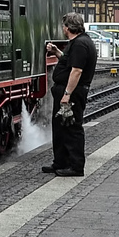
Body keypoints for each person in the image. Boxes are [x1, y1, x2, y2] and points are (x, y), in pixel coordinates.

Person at [43, 12, 97, 176]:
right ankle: (60, 162)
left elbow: (76, 71)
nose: (62, 28)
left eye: (63, 26)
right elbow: (69, 63)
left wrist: (67, 94)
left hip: (72, 93)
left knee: (72, 129)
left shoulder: (80, 44)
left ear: (67, 27)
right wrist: (58, 52)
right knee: (61, 128)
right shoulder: (78, 43)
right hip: (68, 91)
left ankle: (76, 166)